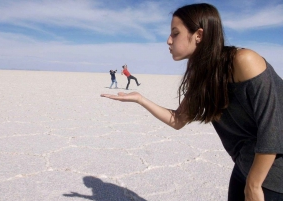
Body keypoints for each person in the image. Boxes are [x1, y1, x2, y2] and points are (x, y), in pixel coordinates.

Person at [101, 3, 283, 201]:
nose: (168, 40)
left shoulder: (244, 61)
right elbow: (178, 120)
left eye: (175, 33)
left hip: (271, 176)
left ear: (199, 35)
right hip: (244, 167)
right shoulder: (203, 75)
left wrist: (254, 186)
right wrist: (140, 99)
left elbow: (273, 127)